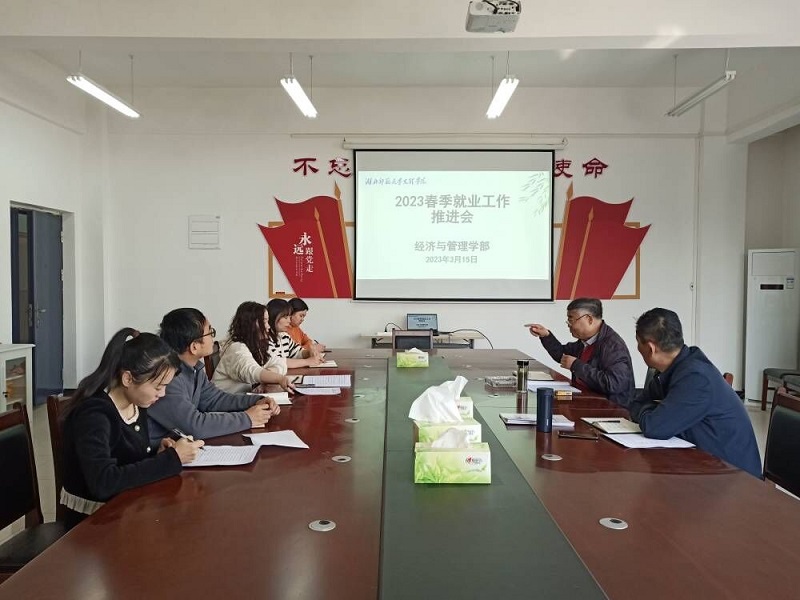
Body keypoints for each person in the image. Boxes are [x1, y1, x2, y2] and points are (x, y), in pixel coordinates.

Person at [61, 328, 204, 529]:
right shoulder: (94, 415)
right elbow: (104, 482)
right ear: (127, 378)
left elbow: (125, 458)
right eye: (158, 387)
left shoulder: (135, 403)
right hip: (92, 523)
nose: (162, 394)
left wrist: (158, 453)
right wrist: (171, 459)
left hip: (126, 508)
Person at [628, 308, 762, 478]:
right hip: (703, 464)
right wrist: (654, 411)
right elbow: (636, 404)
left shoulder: (696, 377)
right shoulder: (674, 368)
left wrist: (653, 412)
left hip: (733, 477)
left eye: (638, 343)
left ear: (650, 348)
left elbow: (654, 427)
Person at [147, 308, 281, 446]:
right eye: (210, 332)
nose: (213, 338)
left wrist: (256, 401)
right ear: (194, 347)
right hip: (158, 453)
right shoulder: (167, 379)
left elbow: (215, 400)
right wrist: (247, 418)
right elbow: (194, 426)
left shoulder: (194, 369)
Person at [527, 297, 634, 407]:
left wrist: (576, 365)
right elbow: (562, 355)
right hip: (585, 400)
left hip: (609, 409)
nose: (568, 324)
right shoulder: (586, 341)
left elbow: (614, 384)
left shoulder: (613, 346)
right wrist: (546, 336)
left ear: (589, 319)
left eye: (571, 320)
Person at [212, 301, 297, 393]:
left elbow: (280, 362)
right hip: (225, 400)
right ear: (250, 324)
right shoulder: (236, 348)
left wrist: (269, 373)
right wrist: (279, 378)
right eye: (264, 321)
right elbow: (252, 372)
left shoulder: (256, 345)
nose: (268, 326)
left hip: (243, 396)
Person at [266, 299, 325, 368]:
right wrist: (307, 361)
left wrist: (309, 353)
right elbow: (277, 361)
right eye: (285, 317)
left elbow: (297, 352)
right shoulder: (265, 338)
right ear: (273, 317)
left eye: (289, 317)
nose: (289, 321)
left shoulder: (284, 336)